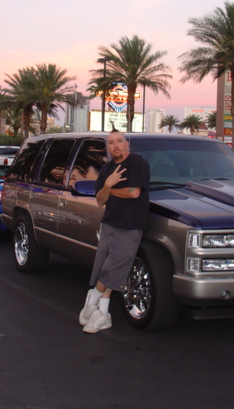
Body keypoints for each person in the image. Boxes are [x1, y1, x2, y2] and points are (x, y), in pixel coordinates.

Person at [79, 129, 150, 333]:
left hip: (130, 225)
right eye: (111, 143)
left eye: (119, 141)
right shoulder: (106, 169)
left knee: (114, 266)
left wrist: (109, 189)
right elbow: (100, 201)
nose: (115, 145)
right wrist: (107, 186)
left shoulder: (137, 162)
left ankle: (92, 300)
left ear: (127, 144)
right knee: (107, 268)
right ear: (108, 147)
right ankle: (103, 315)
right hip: (109, 223)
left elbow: (134, 192)